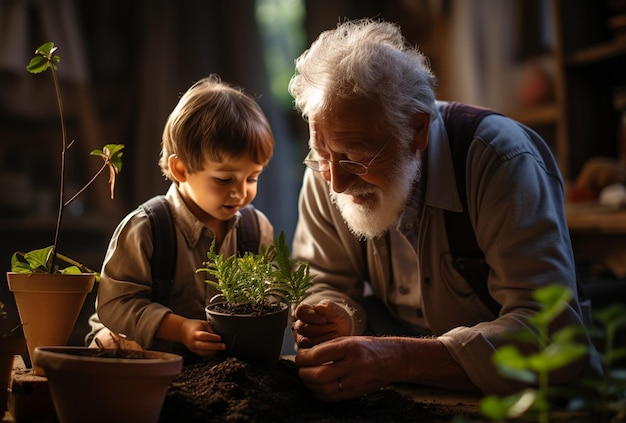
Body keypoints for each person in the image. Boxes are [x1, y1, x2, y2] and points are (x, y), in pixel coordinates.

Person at [288, 19, 603, 401]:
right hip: (407, 393)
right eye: (322, 155)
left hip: (524, 403)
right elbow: (322, 278)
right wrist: (335, 315)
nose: (336, 181)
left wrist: (398, 358)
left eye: (356, 156)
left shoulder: (500, 159)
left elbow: (552, 336)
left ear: (417, 130)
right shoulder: (330, 166)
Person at [87, 75, 275, 361]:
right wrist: (180, 329)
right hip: (146, 355)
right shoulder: (147, 227)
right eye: (224, 180)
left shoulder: (255, 229)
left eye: (252, 177)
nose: (240, 193)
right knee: (110, 345)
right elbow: (117, 303)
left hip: (218, 364)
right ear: (180, 169)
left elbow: (272, 293)